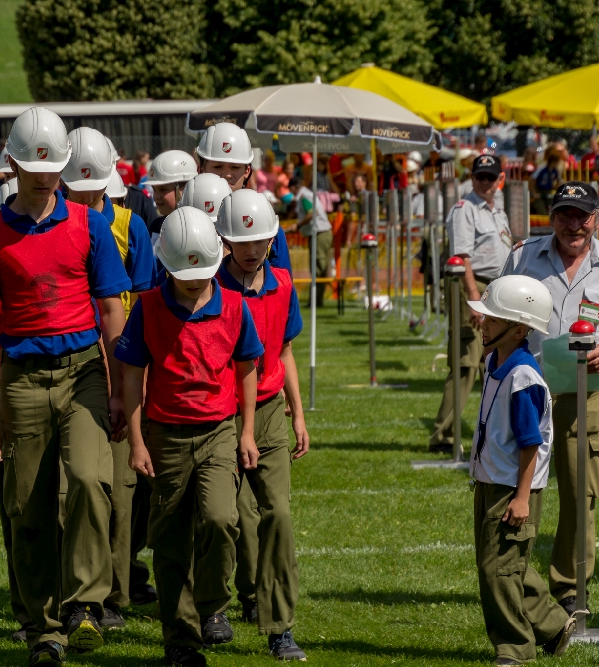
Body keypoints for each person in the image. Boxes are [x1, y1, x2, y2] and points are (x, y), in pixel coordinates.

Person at [0, 106, 130, 664]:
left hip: (85, 372)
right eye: (33, 166)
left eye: (53, 165)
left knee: (89, 480)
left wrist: (120, 388)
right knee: (26, 506)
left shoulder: (90, 225)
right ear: (11, 164)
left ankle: (85, 604)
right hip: (21, 379)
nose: (44, 175)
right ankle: (42, 629)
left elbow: (112, 310)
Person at [115, 206, 263, 667]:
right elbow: (132, 375)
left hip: (219, 431)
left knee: (220, 519)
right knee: (170, 537)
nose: (194, 282)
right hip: (166, 435)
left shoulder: (235, 306)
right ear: (167, 267)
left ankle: (213, 604)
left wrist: (247, 432)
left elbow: (248, 369)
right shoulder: (148, 308)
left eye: (201, 274)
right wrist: (137, 441)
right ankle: (179, 640)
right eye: (184, 275)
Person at [501, 181, 599, 616]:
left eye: (582, 215)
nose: (574, 224)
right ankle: (514, 584)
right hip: (526, 389)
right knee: (516, 490)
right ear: (551, 217)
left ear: (597, 218)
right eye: (565, 214)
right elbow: (497, 318)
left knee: (580, 494)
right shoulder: (522, 256)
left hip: (583, 393)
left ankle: (569, 590)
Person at [61, 126, 156, 630]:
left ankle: (115, 594)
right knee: (73, 490)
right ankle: (73, 594)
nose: (84, 195)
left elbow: (143, 305)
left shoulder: (129, 226)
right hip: (73, 364)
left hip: (121, 365)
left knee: (120, 490)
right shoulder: (50, 222)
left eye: (92, 186)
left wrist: (135, 377)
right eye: (76, 187)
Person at [214, 189, 309, 662]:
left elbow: (285, 351)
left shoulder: (284, 284)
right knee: (221, 518)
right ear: (224, 241)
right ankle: (213, 607)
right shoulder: (208, 286)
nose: (251, 249)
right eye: (240, 240)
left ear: (272, 239)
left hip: (269, 411)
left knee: (279, 516)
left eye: (259, 240)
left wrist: (299, 413)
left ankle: (280, 627)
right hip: (219, 413)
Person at [466, 275, 576, 664]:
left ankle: (516, 648)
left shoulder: (523, 377)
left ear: (518, 329)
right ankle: (553, 626)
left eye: (493, 319)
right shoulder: (495, 361)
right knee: (505, 562)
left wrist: (522, 497)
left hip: (512, 487)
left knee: (497, 570)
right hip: (490, 482)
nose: (483, 323)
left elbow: (531, 443)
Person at [428, 154, 511, 454]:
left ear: (500, 179)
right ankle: (444, 437)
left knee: (496, 362)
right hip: (473, 287)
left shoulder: (497, 210)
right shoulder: (465, 209)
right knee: (465, 362)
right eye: (480, 177)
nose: (485, 182)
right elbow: (461, 257)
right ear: (472, 178)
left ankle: (496, 432)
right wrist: (474, 298)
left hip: (495, 288)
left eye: (491, 177)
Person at [194, 122, 293, 273]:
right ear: (200, 169)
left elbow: (283, 282)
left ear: (247, 171)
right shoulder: (188, 220)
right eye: (217, 166)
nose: (227, 175)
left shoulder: (266, 219)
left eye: (235, 167)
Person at [288, 176, 332, 307]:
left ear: (293, 187)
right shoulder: (307, 194)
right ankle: (317, 300)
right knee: (318, 267)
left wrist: (298, 225)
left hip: (320, 233)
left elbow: (311, 213)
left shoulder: (303, 196)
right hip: (319, 233)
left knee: (318, 267)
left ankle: (316, 301)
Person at [145, 150, 199, 248]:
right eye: (154, 190)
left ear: (186, 189)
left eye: (163, 189)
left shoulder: (199, 227)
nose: (156, 196)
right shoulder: (156, 226)